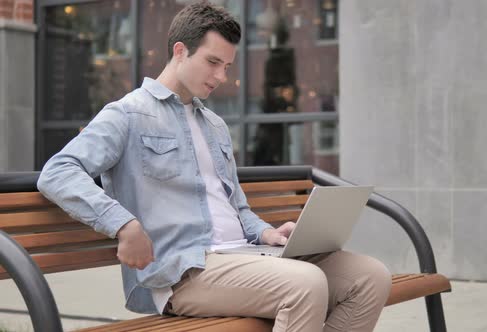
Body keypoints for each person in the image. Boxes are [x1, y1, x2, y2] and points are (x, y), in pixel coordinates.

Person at [37, 2, 391, 331]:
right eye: (212, 62)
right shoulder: (128, 114)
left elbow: (236, 207)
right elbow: (59, 171)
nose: (222, 76)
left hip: (246, 256)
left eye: (227, 66)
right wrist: (124, 224)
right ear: (180, 51)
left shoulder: (215, 126)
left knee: (370, 277)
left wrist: (267, 233)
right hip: (185, 271)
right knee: (306, 283)